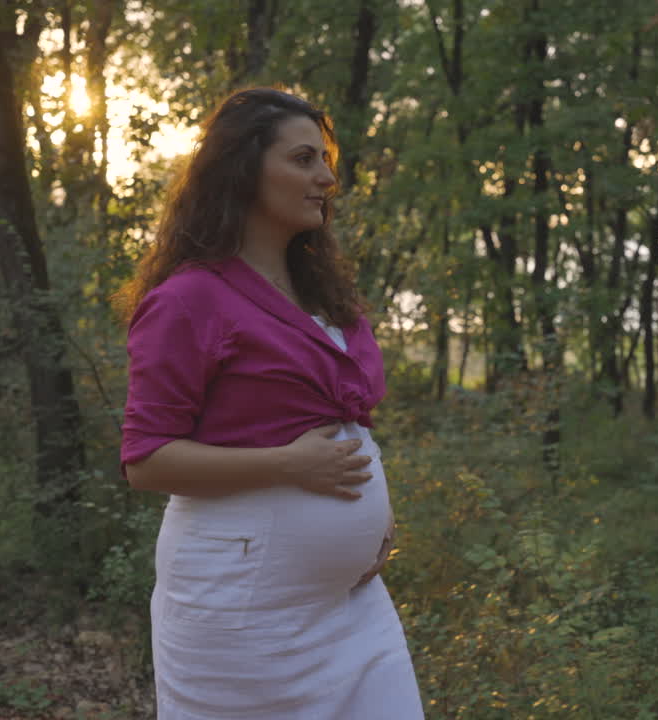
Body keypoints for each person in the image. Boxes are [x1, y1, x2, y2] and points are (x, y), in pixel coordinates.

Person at [116, 87, 424, 720]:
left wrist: (372, 517)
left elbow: (343, 422)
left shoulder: (322, 292)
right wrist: (287, 467)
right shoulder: (188, 299)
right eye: (305, 159)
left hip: (353, 605)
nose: (327, 178)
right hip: (242, 609)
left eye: (326, 160)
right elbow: (146, 462)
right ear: (245, 167)